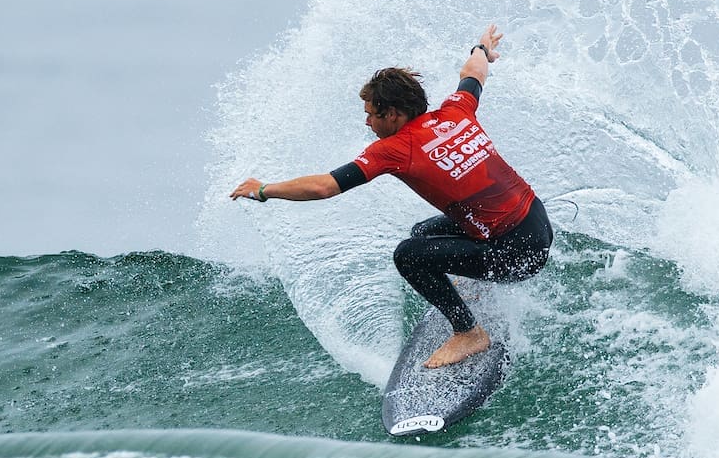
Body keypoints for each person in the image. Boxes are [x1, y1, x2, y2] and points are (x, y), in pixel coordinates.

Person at [230, 24, 552, 369]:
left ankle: (468, 332)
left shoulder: (395, 149)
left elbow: (325, 186)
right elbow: (473, 74)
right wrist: (482, 48)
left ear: (394, 114)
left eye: (372, 114)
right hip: (537, 222)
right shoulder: (454, 111)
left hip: (518, 255)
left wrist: (263, 190)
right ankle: (474, 283)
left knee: (409, 255)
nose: (368, 122)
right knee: (424, 233)